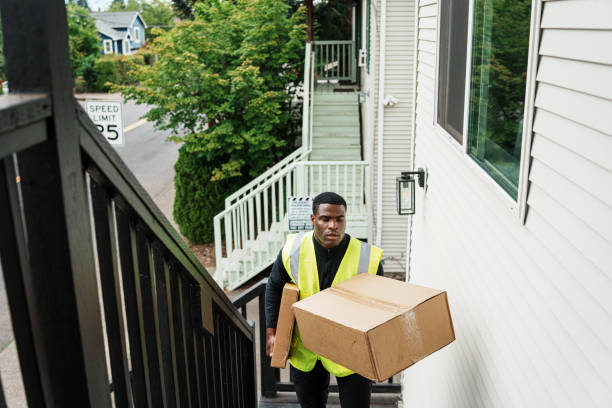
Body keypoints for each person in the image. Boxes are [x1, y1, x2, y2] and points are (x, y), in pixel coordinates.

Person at [265, 192, 384, 408]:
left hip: (352, 351)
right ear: (313, 219)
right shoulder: (292, 250)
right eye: (325, 219)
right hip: (306, 347)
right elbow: (274, 287)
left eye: (339, 219)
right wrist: (272, 331)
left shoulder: (367, 258)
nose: (333, 226)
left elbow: (382, 306)